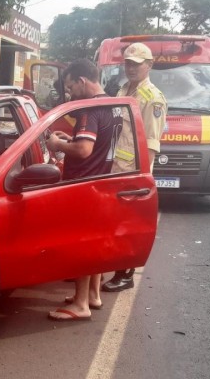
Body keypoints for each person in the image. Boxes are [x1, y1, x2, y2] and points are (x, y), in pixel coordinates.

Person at [46, 59, 122, 321]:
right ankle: (93, 294)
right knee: (94, 242)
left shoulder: (88, 110)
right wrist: (73, 139)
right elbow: (95, 143)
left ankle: (80, 305)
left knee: (81, 245)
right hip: (101, 181)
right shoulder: (112, 105)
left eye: (70, 87)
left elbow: (84, 150)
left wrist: (58, 144)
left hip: (84, 184)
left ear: (82, 81)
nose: (69, 93)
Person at [103, 42, 167, 293]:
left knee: (128, 225)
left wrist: (142, 179)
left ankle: (125, 274)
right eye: (128, 63)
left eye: (136, 64)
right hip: (114, 168)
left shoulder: (153, 99)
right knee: (113, 222)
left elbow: (151, 142)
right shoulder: (122, 89)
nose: (131, 68)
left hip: (131, 172)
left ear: (149, 66)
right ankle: (111, 266)